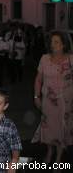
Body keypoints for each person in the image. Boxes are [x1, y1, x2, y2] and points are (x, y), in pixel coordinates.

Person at [33, 31, 73, 164]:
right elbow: (38, 79)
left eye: (56, 42)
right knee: (48, 128)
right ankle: (50, 151)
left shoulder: (71, 59)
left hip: (66, 102)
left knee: (62, 128)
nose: (52, 44)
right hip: (48, 101)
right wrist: (36, 96)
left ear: (64, 44)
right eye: (51, 42)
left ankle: (59, 157)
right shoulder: (44, 58)